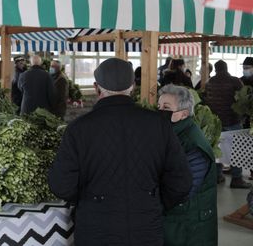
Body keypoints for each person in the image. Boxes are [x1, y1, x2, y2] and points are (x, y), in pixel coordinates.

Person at [48, 58, 192, 246]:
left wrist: (91, 199)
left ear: (96, 88)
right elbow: (182, 181)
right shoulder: (159, 125)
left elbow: (61, 185)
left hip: (95, 229)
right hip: (146, 227)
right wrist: (153, 202)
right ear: (132, 87)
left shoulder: (78, 129)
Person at [158, 85, 217, 246]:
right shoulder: (172, 134)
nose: (160, 111)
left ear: (184, 113)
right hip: (175, 219)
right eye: (159, 106)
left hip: (190, 224)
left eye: (166, 107)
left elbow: (183, 189)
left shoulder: (193, 144)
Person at [204, 60, 249, 188]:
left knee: (218, 149)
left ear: (216, 69)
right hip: (232, 120)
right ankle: (236, 179)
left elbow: (206, 99)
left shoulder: (210, 82)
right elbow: (242, 98)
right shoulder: (235, 81)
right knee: (237, 150)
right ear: (226, 68)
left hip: (215, 121)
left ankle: (218, 176)